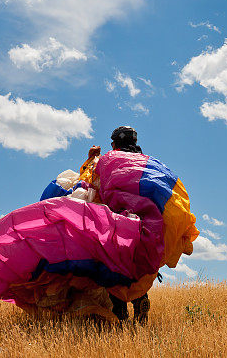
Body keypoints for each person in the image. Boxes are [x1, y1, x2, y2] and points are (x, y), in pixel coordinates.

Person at [87, 126, 151, 324]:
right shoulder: (146, 162)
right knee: (136, 265)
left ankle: (120, 313)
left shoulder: (109, 161)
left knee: (114, 267)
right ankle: (141, 300)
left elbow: (93, 182)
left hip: (117, 223)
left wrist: (91, 159)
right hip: (143, 223)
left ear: (114, 144)